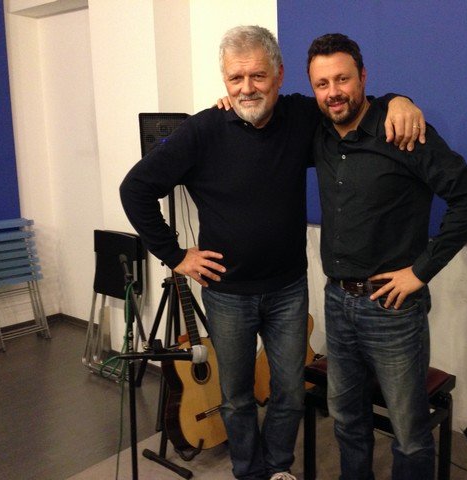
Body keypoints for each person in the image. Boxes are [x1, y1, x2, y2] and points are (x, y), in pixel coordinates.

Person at [120, 26, 425, 480]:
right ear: (224, 80)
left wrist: (401, 100)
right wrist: (176, 255)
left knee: (289, 392)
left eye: (257, 76)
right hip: (227, 293)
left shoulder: (301, 116)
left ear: (279, 75)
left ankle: (278, 467)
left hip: (288, 289)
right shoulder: (202, 130)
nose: (246, 88)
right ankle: (249, 472)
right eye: (235, 78)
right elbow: (136, 188)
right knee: (236, 397)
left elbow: (350, 101)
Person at [306, 33, 467, 479]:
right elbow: (261, 104)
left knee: (409, 432)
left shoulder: (404, 132)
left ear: (363, 77)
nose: (333, 92)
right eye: (322, 84)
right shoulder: (320, 133)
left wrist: (420, 271)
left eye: (342, 79)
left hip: (392, 309)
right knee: (347, 420)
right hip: (337, 301)